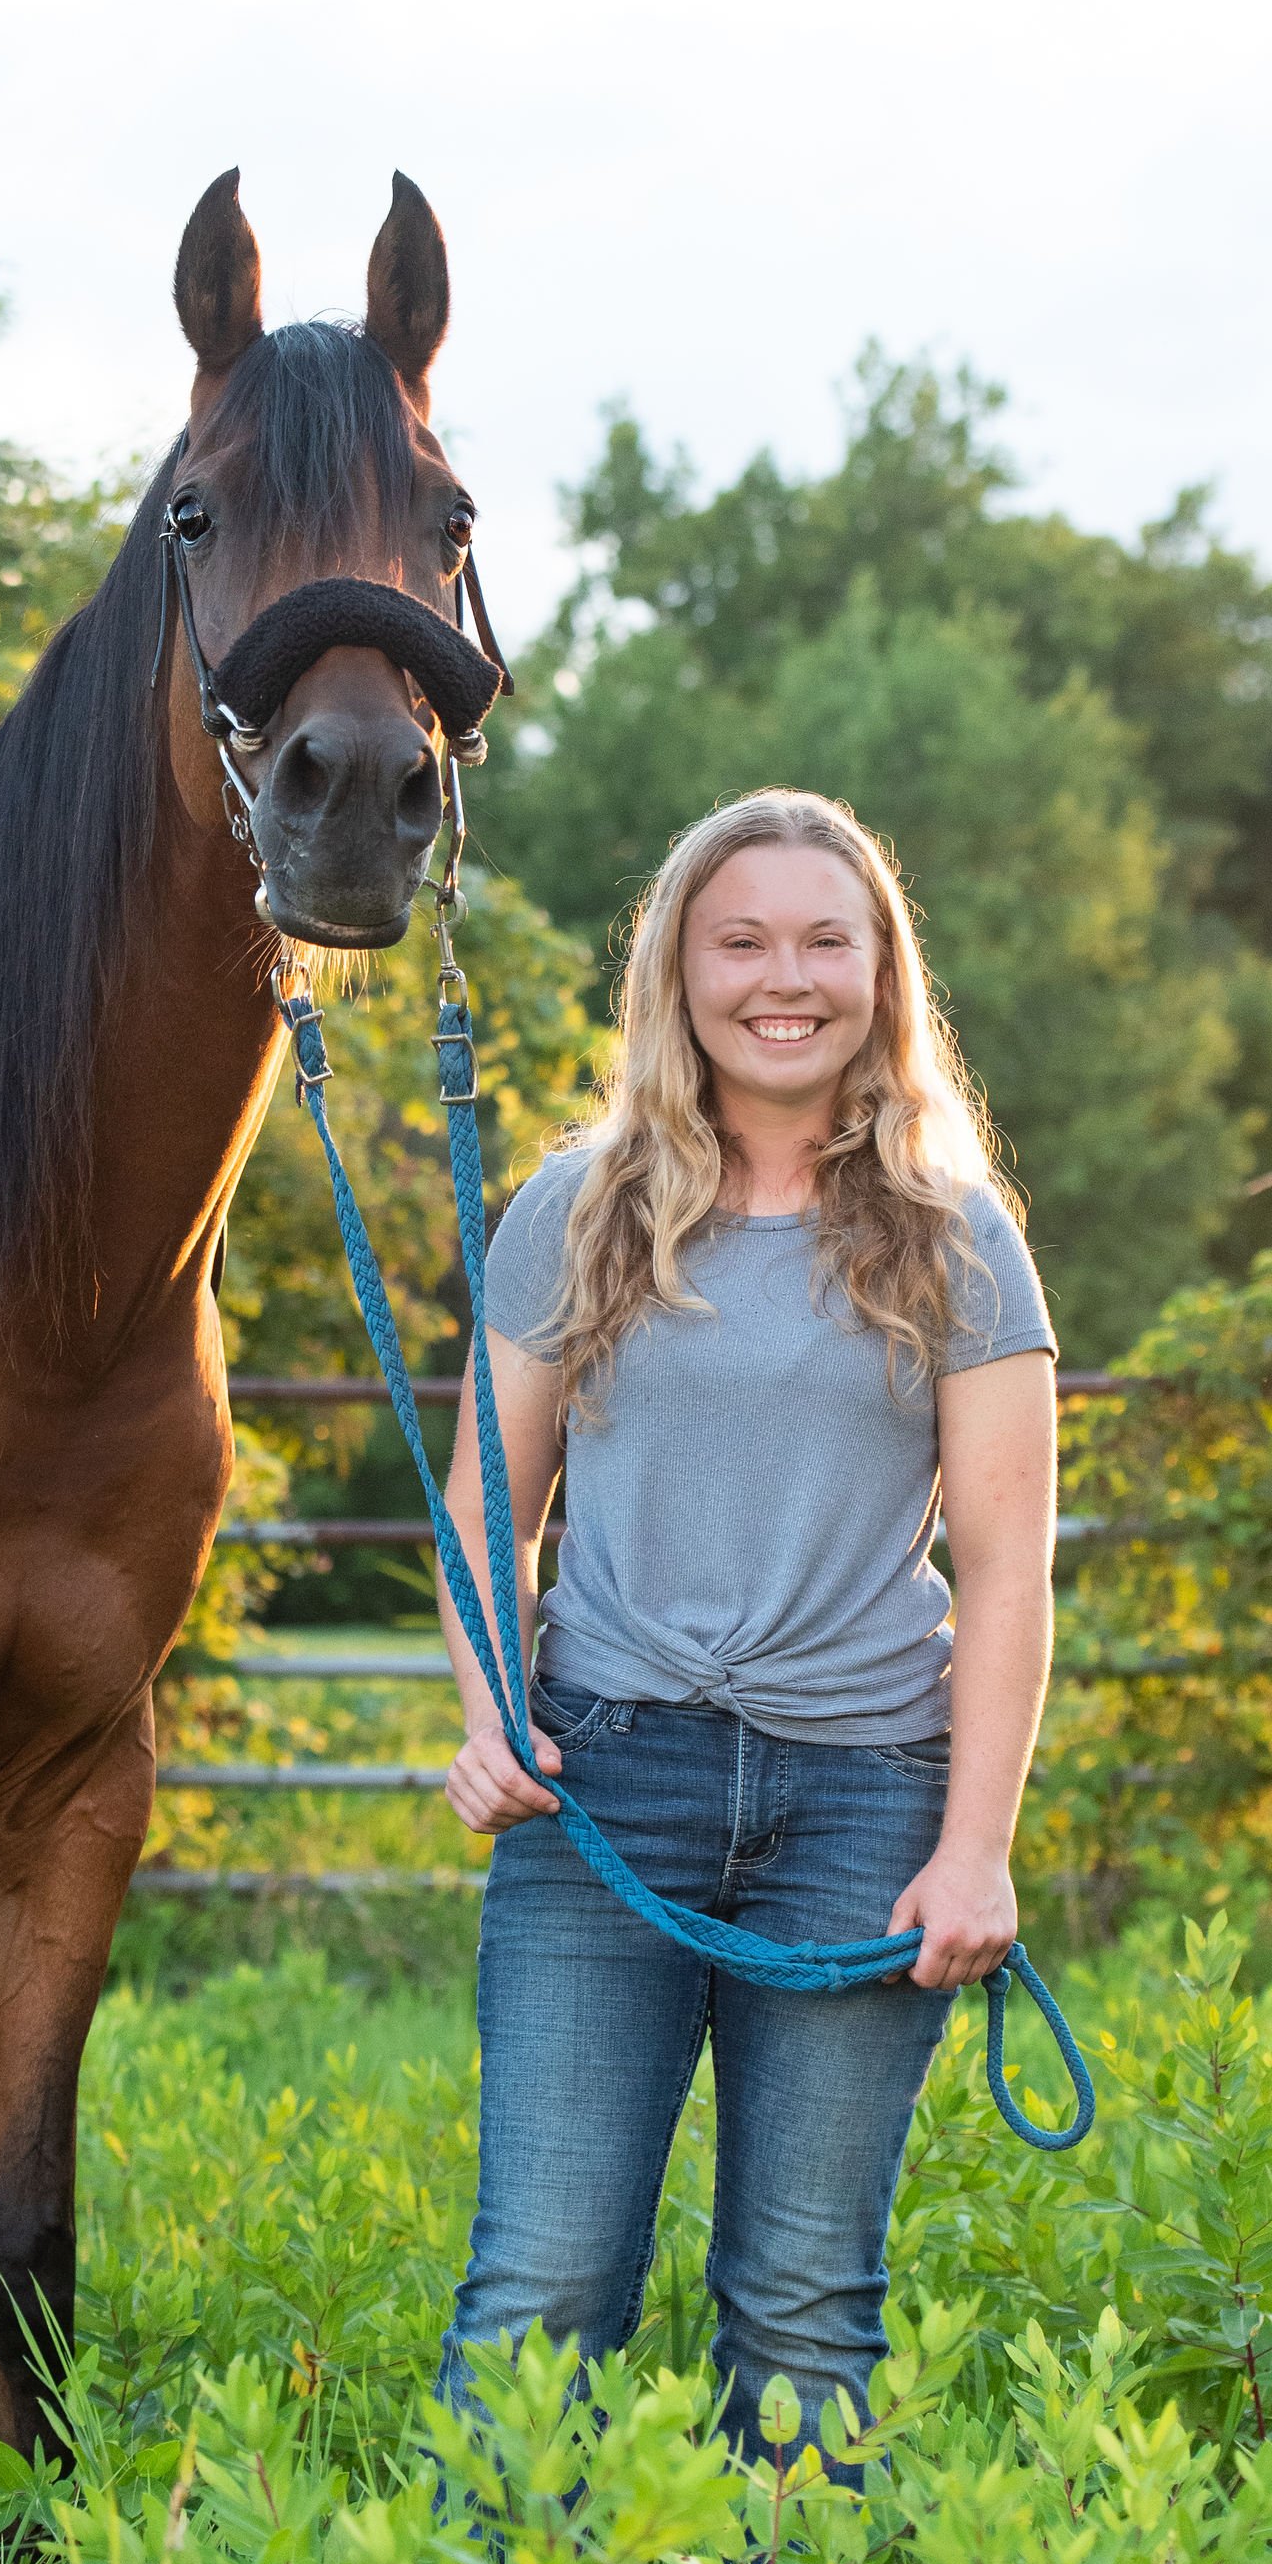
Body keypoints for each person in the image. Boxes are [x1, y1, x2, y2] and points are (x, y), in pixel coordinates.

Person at [434, 787, 1057, 2466]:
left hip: (865, 1804)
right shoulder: (577, 1209)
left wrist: (976, 1846)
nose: (786, 978)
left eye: (824, 940)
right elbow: (491, 1503)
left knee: (802, 2299)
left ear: (880, 971)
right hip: (602, 1787)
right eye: (743, 941)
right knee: (544, 2287)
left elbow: (1006, 1561)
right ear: (680, 970)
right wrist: (491, 1712)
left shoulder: (957, 1234)